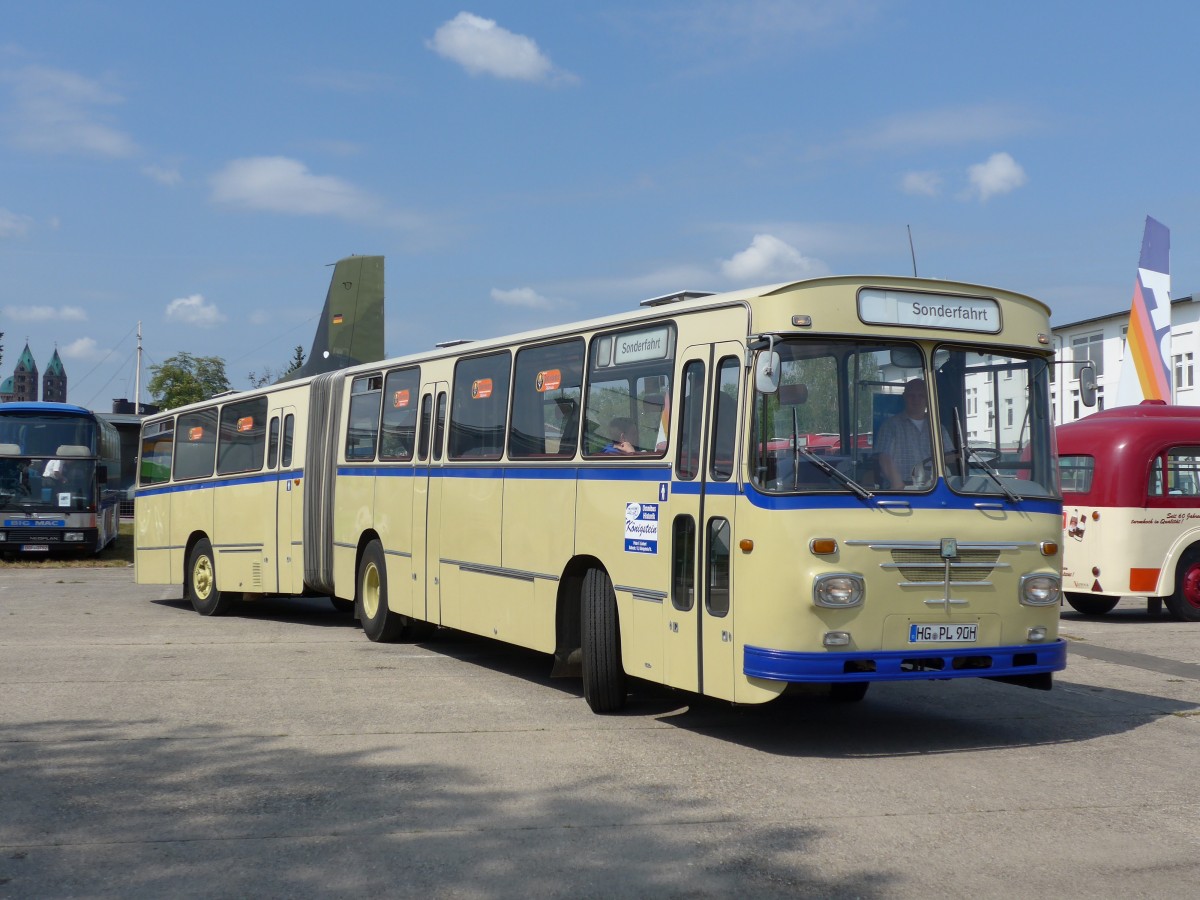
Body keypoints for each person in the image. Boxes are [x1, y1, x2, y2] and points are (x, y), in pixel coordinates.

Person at [876, 379, 952, 489]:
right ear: (904, 397)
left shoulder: (937, 427)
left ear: (927, 398)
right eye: (911, 395)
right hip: (902, 488)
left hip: (933, 488)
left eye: (921, 395)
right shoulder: (890, 426)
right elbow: (884, 457)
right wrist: (897, 483)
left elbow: (949, 457)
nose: (916, 399)